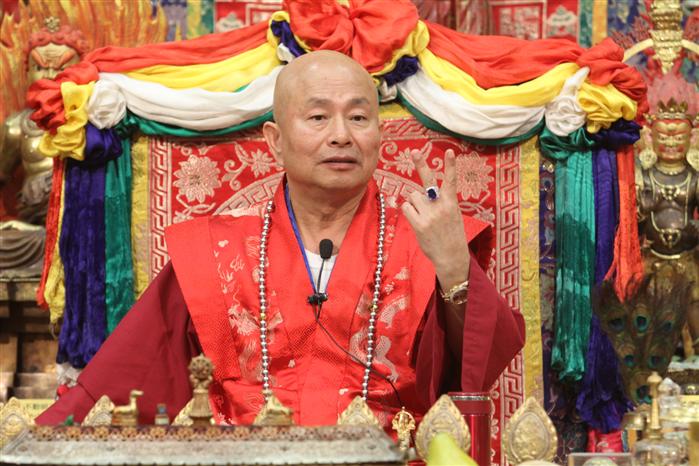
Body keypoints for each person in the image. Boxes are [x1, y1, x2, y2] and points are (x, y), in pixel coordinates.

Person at [37, 51, 525, 427]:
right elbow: (125, 380)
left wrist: (453, 268)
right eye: (318, 117)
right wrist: (41, 441)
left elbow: (478, 370)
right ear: (275, 141)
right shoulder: (216, 251)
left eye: (359, 118)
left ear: (380, 135)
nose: (341, 135)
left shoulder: (426, 240)